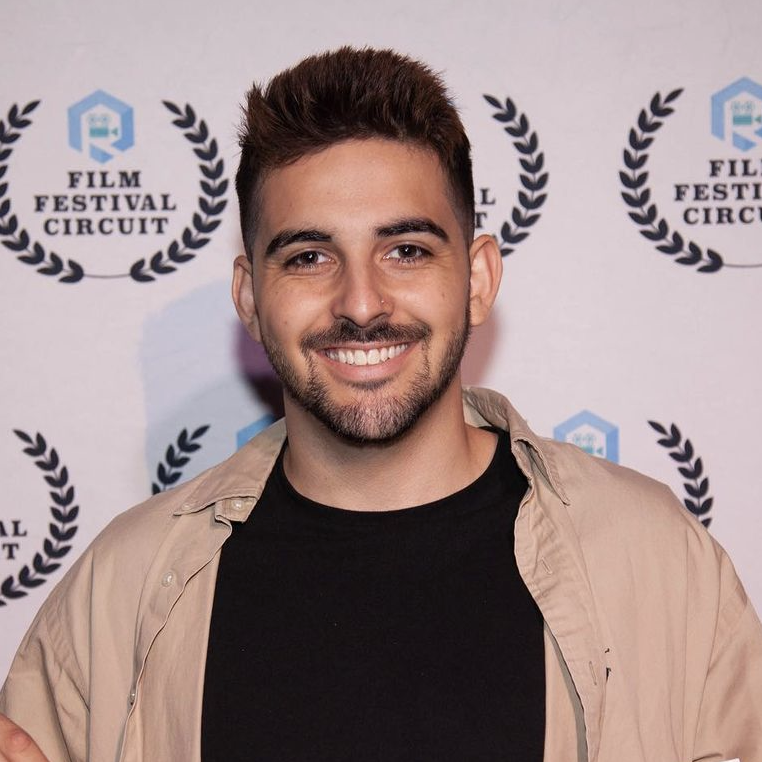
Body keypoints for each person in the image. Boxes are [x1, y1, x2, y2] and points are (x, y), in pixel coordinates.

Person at [1, 47, 761, 762]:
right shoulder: (121, 589)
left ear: (477, 280)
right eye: (309, 257)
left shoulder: (656, 562)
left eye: (406, 251)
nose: (361, 303)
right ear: (250, 297)